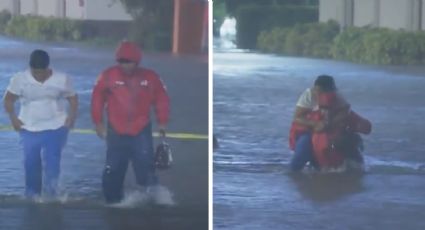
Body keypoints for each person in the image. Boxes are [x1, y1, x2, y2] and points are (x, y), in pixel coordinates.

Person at [91, 41, 170, 204]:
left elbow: (162, 99)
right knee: (113, 168)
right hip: (115, 131)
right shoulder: (107, 76)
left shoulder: (151, 77)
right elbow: (97, 99)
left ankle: (154, 200)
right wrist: (98, 122)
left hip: (140, 130)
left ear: (137, 61)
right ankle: (112, 201)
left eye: (129, 62)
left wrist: (162, 122)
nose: (125, 65)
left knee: (146, 168)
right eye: (122, 62)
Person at [3, 49, 78, 198]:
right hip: (28, 127)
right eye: (35, 72)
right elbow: (8, 100)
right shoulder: (19, 79)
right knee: (31, 165)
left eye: (41, 72)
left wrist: (71, 116)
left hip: (56, 127)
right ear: (30, 68)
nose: (38, 75)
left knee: (52, 165)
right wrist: (13, 118)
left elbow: (73, 98)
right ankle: (32, 197)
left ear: (48, 68)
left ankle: (52, 197)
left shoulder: (62, 79)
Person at [289, 75, 349, 171]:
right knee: (299, 157)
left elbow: (346, 111)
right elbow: (297, 117)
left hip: (329, 130)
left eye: (321, 91)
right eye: (317, 90)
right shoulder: (308, 95)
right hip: (308, 131)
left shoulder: (337, 96)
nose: (318, 93)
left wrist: (330, 123)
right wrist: (315, 124)